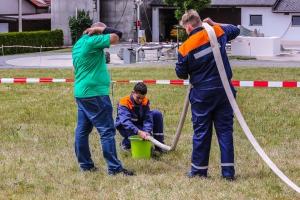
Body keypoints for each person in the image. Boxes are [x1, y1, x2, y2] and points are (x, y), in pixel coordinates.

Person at [175, 10, 240, 180]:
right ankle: (228, 173)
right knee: (225, 132)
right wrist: (214, 23)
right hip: (224, 91)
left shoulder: (185, 47)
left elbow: (181, 73)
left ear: (188, 27)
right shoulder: (217, 32)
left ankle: (199, 171)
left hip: (202, 94)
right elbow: (235, 29)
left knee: (202, 132)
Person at [72, 22, 134, 176]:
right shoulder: (94, 40)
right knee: (107, 131)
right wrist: (100, 29)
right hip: (95, 94)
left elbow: (75, 69)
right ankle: (114, 168)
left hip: (82, 93)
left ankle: (85, 165)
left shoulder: (79, 43)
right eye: (102, 32)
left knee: (82, 130)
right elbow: (116, 35)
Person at [115, 82, 165, 153]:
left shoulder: (145, 100)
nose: (140, 100)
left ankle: (159, 147)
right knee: (140, 137)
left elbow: (148, 118)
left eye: (142, 98)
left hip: (139, 123)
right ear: (133, 92)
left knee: (157, 114)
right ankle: (125, 142)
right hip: (125, 127)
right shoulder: (124, 102)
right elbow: (125, 122)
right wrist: (139, 132)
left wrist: (146, 131)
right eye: (138, 98)